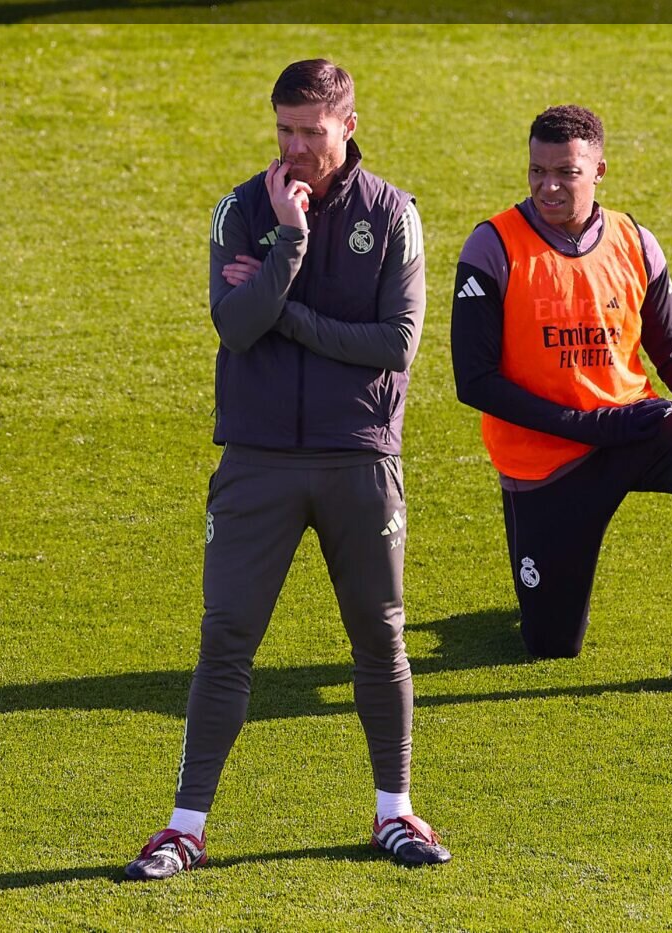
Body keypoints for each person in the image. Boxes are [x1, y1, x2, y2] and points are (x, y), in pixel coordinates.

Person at [121, 59, 449, 882]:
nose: (294, 146)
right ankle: (185, 828)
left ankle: (395, 810)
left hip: (360, 456)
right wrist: (290, 240)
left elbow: (396, 344)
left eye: (310, 130)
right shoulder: (241, 209)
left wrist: (286, 306)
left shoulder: (394, 215)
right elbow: (235, 326)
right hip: (257, 460)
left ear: (348, 125)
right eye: (283, 129)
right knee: (226, 638)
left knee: (379, 636)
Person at [450, 105, 672, 697]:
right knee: (551, 644)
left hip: (631, 427)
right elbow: (475, 381)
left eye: (566, 172)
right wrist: (589, 426)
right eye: (537, 171)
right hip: (547, 460)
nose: (548, 187)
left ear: (598, 171)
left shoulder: (634, 241)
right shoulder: (492, 246)